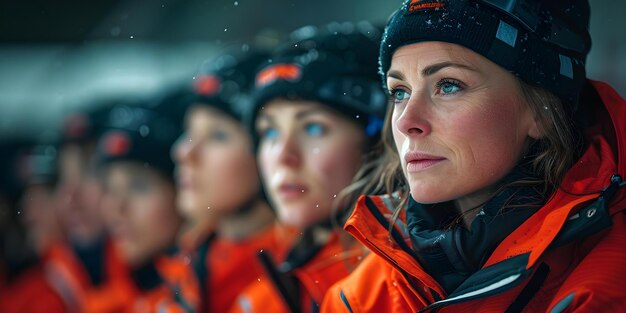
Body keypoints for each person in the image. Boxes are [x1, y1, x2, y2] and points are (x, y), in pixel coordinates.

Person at [322, 1, 626, 312]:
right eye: (399, 91)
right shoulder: (357, 300)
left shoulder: (606, 288)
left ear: (542, 111)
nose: (405, 121)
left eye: (449, 85)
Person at [230, 22, 387, 313]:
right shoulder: (261, 303)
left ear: (378, 141)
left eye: (313, 128)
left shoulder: (411, 290)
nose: (284, 156)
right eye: (270, 132)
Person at [172, 48, 292, 313]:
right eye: (188, 132)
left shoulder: (303, 279)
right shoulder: (184, 270)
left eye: (217, 136)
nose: (183, 152)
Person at [95, 93, 199, 313]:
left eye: (138, 187)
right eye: (110, 189)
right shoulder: (103, 303)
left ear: (181, 188)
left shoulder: (206, 296)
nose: (117, 208)